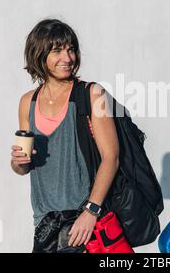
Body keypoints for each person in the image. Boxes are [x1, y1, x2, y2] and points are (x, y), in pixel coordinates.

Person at [10, 19, 119, 253]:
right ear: (39, 54)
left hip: (83, 222)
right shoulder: (27, 102)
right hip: (44, 222)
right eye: (57, 50)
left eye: (71, 49)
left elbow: (111, 157)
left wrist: (91, 212)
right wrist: (18, 163)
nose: (67, 58)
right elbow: (23, 168)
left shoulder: (92, 94)